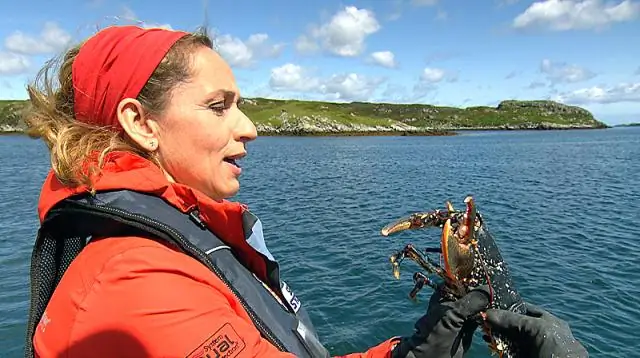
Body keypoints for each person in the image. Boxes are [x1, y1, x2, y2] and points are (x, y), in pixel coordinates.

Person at [22, 25, 588, 358]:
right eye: (220, 106)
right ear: (141, 122)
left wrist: (410, 353)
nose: (250, 127)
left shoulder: (164, 244)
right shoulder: (136, 285)